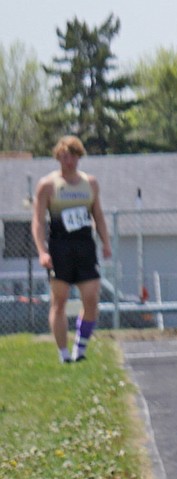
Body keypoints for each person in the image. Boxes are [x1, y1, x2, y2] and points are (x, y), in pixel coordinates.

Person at [31, 136, 112, 363]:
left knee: (91, 298)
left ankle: (80, 347)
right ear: (59, 157)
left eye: (75, 156)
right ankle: (63, 354)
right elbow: (37, 221)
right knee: (60, 300)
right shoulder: (48, 185)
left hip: (85, 246)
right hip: (60, 248)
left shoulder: (90, 183)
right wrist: (42, 251)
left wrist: (106, 243)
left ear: (79, 157)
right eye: (66, 156)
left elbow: (98, 215)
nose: (71, 161)